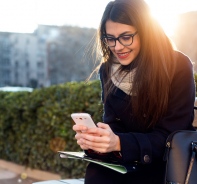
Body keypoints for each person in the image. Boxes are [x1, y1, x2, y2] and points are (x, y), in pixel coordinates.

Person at [73, 0, 196, 183]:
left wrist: (120, 143)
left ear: (146, 33)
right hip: (126, 162)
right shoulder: (108, 69)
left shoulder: (177, 66)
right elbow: (114, 124)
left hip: (165, 166)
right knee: (97, 174)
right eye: (110, 38)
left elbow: (172, 136)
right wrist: (99, 140)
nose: (118, 47)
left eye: (126, 36)